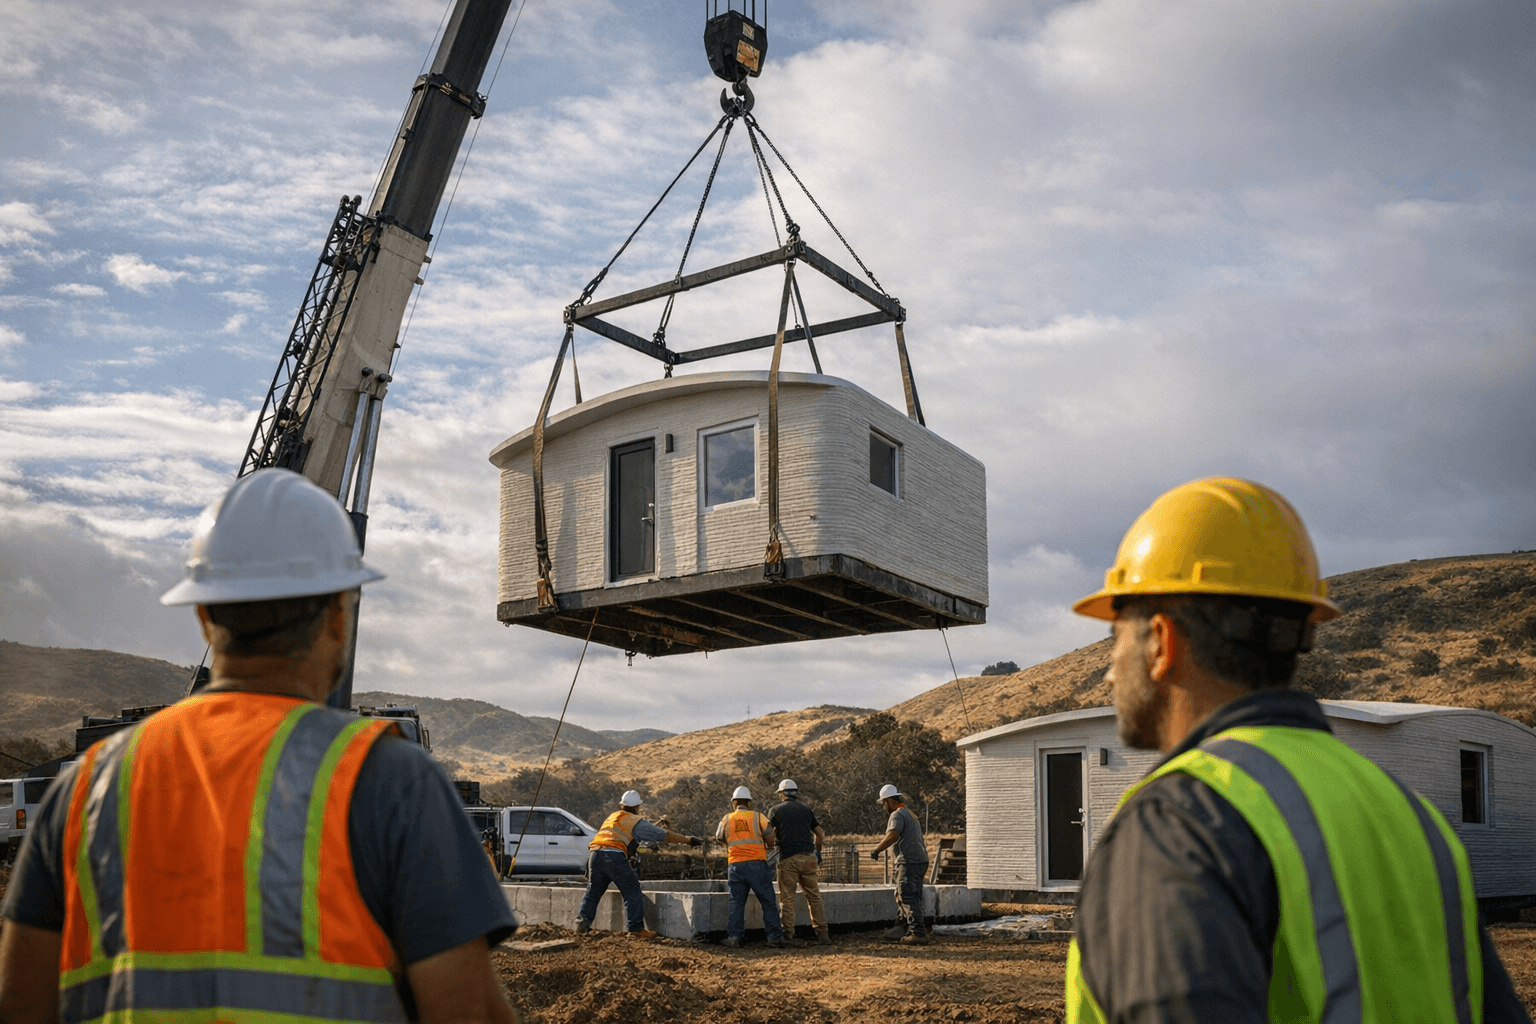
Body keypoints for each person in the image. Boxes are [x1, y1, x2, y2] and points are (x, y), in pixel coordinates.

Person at [0, 468, 521, 1024]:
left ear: (204, 617)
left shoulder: (86, 785)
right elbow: (466, 1011)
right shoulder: (390, 781)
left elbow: (19, 1001)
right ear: (339, 618)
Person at [1064, 477, 1531, 1023]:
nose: (1109, 670)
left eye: (1115, 638)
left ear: (1161, 643)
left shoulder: (1179, 822)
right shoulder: (1413, 820)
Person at [576, 791, 699, 938]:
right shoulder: (635, 821)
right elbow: (664, 836)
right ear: (637, 807)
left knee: (593, 891)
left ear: (622, 805)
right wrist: (689, 840)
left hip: (595, 854)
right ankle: (635, 929)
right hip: (614, 856)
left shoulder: (613, 817)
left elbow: (629, 835)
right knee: (632, 891)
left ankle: (582, 924)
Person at [715, 786, 784, 949]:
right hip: (757, 865)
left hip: (736, 866)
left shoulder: (726, 819)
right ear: (749, 803)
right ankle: (774, 938)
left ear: (734, 803)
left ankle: (734, 938)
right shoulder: (758, 817)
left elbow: (718, 837)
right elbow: (770, 839)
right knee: (768, 902)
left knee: (736, 903)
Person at [766, 778, 829, 945]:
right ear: (795, 793)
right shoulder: (806, 809)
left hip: (788, 858)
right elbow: (820, 834)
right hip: (808, 857)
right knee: (814, 896)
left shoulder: (775, 810)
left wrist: (772, 845)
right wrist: (817, 851)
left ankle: (788, 934)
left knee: (787, 898)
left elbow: (768, 834)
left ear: (781, 794)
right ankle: (823, 934)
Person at [869, 784, 929, 945]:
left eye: (884, 803)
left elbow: (893, 835)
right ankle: (901, 927)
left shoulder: (897, 814)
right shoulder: (909, 813)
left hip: (908, 861)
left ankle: (918, 933)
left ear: (889, 801)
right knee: (909, 895)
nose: (884, 806)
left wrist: (877, 850)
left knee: (907, 896)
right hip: (920, 860)